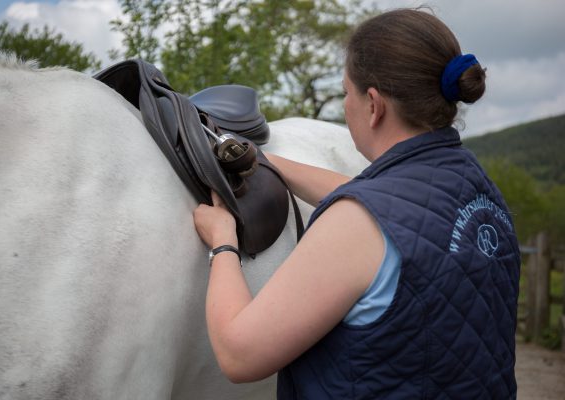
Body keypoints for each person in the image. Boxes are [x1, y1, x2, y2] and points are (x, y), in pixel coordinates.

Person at [193, 8, 520, 399]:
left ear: (374, 104)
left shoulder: (358, 224)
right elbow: (381, 202)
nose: (346, 106)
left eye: (347, 92)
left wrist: (222, 241)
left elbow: (238, 356)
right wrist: (266, 162)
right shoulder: (477, 186)